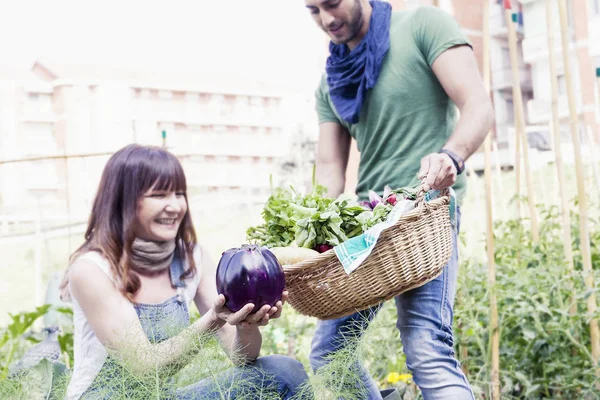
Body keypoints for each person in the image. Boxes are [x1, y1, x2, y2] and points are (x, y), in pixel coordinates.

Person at [304, 0, 495, 399]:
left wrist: (451, 156)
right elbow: (328, 172)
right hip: (369, 226)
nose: (327, 18)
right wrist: (301, 233)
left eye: (332, 4)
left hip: (425, 216)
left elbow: (478, 106)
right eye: (313, 10)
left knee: (427, 347)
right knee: (328, 353)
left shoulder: (424, 26)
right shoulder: (331, 81)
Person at [59, 144, 311, 399]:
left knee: (284, 373)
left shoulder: (191, 258)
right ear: (123, 201)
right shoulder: (91, 269)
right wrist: (214, 318)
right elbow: (145, 368)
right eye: (159, 195)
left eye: (179, 194)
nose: (175, 206)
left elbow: (241, 357)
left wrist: (244, 324)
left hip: (163, 396)